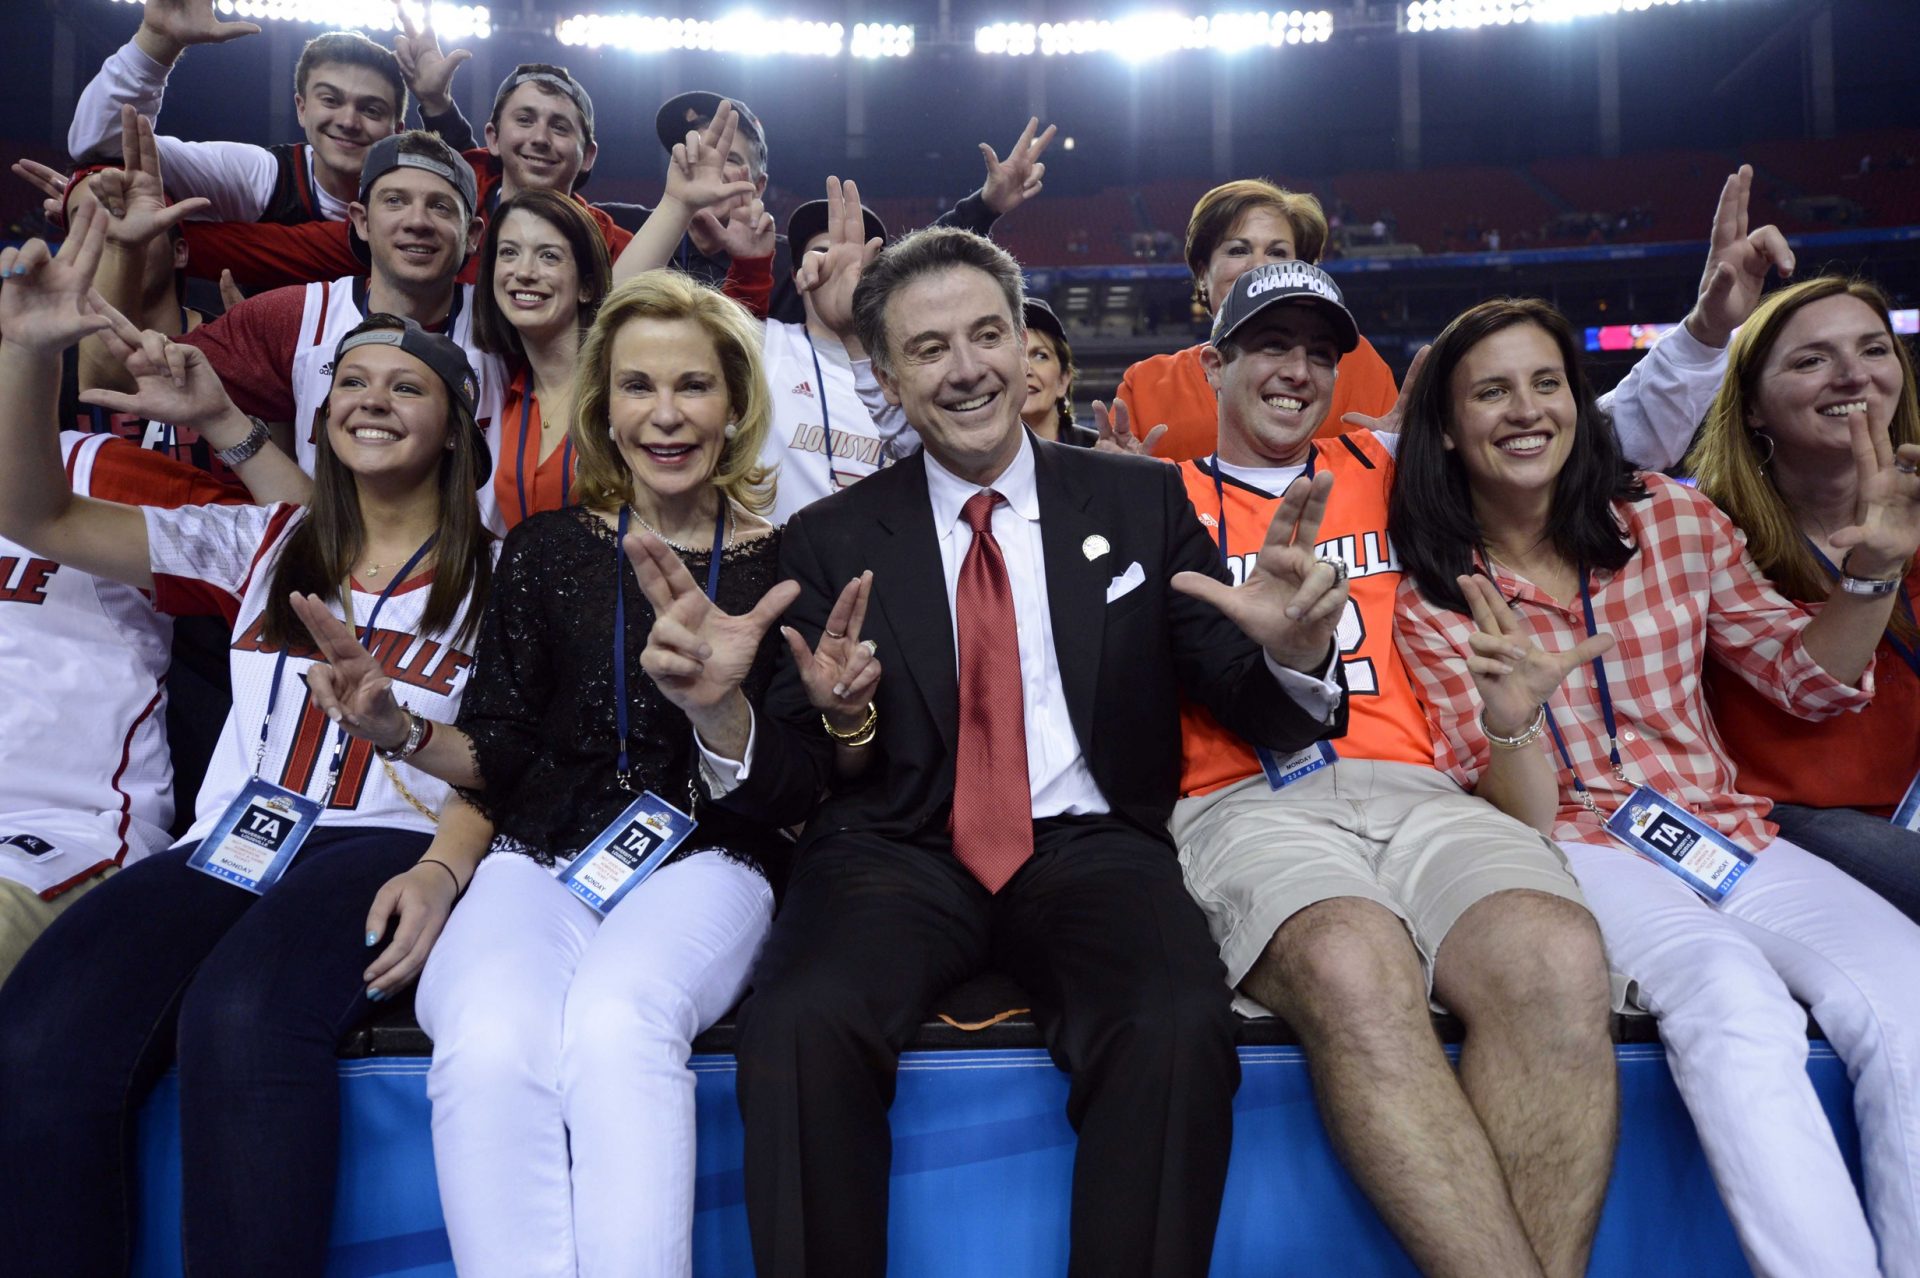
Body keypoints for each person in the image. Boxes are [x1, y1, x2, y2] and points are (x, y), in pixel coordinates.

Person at [672, 225, 1348, 1277]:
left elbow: (1255, 707)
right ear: (889, 378)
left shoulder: (1140, 502)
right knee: (797, 1027)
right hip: (892, 850)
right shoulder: (828, 540)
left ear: (1027, 342)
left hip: (1093, 845)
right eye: (930, 348)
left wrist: (1299, 653)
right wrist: (728, 716)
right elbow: (793, 780)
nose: (970, 367)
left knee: (1175, 1026)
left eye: (988, 333)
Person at [292, 269, 871, 1277]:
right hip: (538, 855)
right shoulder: (545, 548)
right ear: (604, 405)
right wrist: (395, 729)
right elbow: (499, 750)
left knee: (614, 1025)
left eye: (692, 386)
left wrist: (716, 707)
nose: (666, 414)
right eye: (638, 387)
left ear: (735, 404)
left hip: (713, 861)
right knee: (485, 1037)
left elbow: (801, 789)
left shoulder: (791, 564)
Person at [0, 203, 495, 1276]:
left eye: (406, 385)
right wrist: (30, 360)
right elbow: (38, 518)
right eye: (351, 385)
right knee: (42, 1031)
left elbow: (524, 752)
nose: (372, 400)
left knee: (244, 1016)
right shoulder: (265, 538)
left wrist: (449, 869)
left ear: (456, 425)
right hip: (237, 837)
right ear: (319, 419)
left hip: (381, 839)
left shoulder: (510, 570)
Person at [1390, 293, 1920, 1278]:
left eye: (1547, 382)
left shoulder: (1670, 516)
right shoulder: (1427, 584)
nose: (1527, 409)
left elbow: (1803, 680)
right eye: (1491, 392)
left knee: (1908, 992)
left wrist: (1867, 578)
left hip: (1724, 830)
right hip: (1577, 850)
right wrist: (1514, 721)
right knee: (1733, 999)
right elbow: (1529, 817)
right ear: (1450, 431)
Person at [1167, 262, 1616, 1277]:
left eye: (1319, 352)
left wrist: (1707, 335)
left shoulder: (1390, 464)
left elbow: (1545, 424)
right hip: (1241, 795)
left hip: (1417, 790)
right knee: (1349, 959)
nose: (1296, 370)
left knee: (1556, 953)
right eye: (1270, 346)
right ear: (1213, 361)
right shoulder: (1160, 501)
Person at [88, 114, 513, 528]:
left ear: (474, 235)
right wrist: (123, 249)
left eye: (440, 206)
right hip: (331, 584)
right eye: (395, 201)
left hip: (483, 588)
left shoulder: (512, 328)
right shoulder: (294, 318)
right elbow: (115, 378)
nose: (417, 222)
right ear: (360, 222)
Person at [1689, 275, 1920, 921]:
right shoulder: (1703, 530)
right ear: (1753, 405)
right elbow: (1813, 682)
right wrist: (1877, 566)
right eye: (1812, 359)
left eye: (1874, 350)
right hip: (1783, 820)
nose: (1853, 376)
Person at [170, 61, 633, 291]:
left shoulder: (614, 247)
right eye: (525, 120)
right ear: (493, 137)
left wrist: (708, 241)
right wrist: (166, 242)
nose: (539, 138)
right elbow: (278, 252)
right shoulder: (423, 202)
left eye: (559, 126)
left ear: (587, 154)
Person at [602, 97, 1055, 325]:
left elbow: (897, 264)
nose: (713, 171)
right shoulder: (625, 229)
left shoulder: (796, 263)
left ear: (758, 186)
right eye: (703, 155)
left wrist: (986, 204)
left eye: (732, 160)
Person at [1110, 178, 1400, 460]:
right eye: (1238, 250)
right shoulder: (1148, 386)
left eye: (1277, 252)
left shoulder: (1358, 362)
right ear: (1202, 275)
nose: (1258, 267)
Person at [69, 0, 402, 225]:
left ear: (398, 129)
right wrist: (156, 42)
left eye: (371, 109)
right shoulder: (262, 177)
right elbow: (106, 142)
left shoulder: (423, 204)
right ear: (302, 109)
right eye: (330, 100)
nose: (348, 121)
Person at [470, 188, 611, 531]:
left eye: (548, 256)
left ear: (586, 287)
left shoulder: (620, 391)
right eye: (509, 253)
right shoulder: (508, 396)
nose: (524, 272)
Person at [1022, 297, 1093, 445]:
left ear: (1063, 380)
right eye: (1015, 355)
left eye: (1041, 356)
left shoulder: (1100, 452)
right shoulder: (969, 462)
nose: (1026, 369)